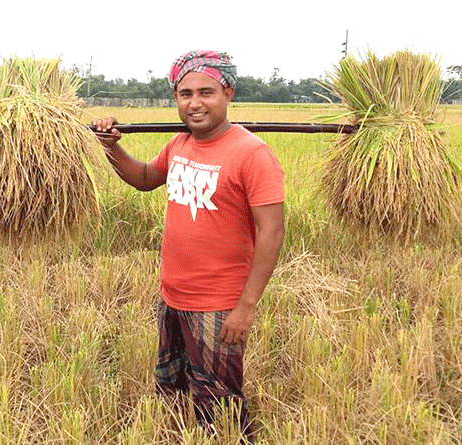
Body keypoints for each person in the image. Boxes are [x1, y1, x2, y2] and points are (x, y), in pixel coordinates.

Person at [93, 50, 285, 442]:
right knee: (174, 389)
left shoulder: (252, 154)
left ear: (228, 93)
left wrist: (246, 307)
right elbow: (146, 178)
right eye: (185, 94)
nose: (195, 103)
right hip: (173, 296)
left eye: (206, 92)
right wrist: (110, 146)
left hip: (219, 303)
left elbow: (272, 232)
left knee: (219, 403)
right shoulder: (180, 144)